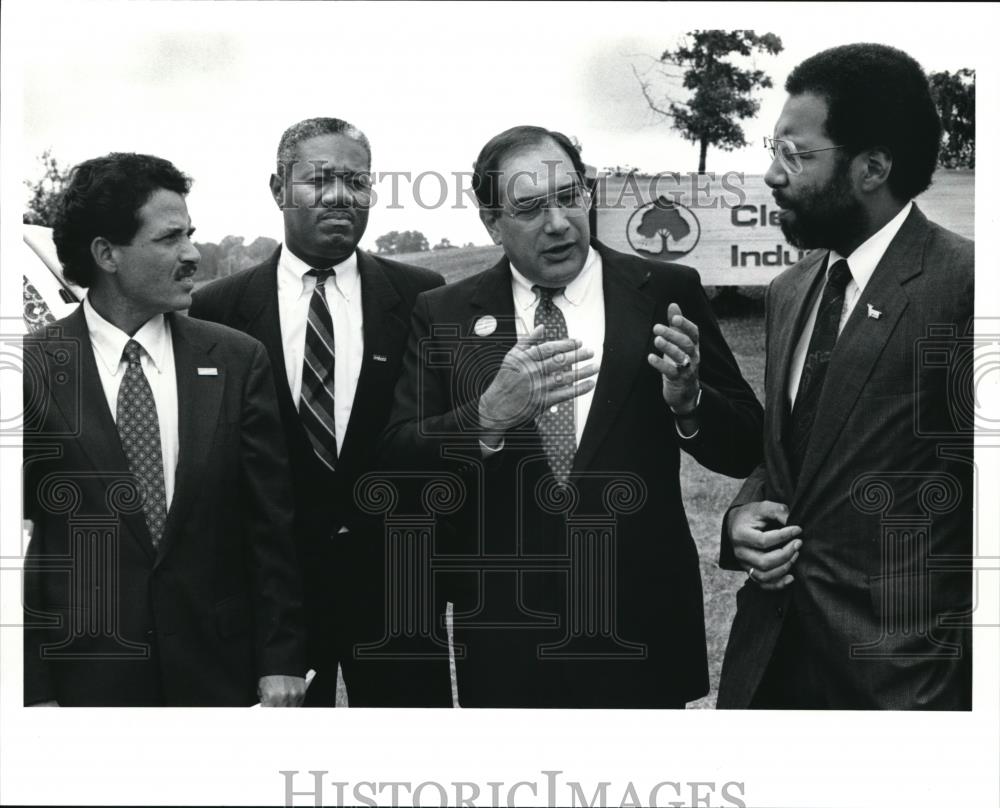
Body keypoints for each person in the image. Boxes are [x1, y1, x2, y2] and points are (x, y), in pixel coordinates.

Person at [380, 125, 763, 707]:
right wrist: (485, 417)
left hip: (639, 619)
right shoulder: (446, 312)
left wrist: (689, 403)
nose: (557, 222)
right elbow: (398, 456)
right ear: (491, 222)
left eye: (568, 196)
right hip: (508, 630)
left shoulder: (665, 290)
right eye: (530, 207)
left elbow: (745, 447)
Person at [717, 43, 974, 709]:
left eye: (795, 155)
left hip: (902, 686)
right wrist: (741, 515)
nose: (772, 175)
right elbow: (797, 455)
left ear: (872, 168)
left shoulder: (971, 288)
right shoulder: (790, 289)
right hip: (767, 670)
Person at [22, 153, 306, 706]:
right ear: (107, 253)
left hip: (220, 677)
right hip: (88, 685)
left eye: (190, 234)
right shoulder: (29, 372)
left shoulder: (236, 359)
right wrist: (33, 688)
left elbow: (270, 524)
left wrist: (281, 660)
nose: (192, 253)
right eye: (169, 238)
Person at [188, 118, 450, 707]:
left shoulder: (423, 297)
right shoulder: (216, 311)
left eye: (357, 181)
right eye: (319, 180)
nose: (340, 196)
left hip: (398, 593)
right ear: (278, 189)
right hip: (272, 600)